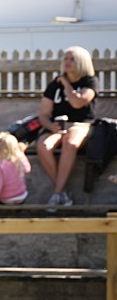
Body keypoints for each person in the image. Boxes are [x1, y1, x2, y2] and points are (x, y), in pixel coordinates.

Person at [36, 46, 97, 206]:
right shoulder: (53, 85)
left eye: (72, 59)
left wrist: (65, 82)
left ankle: (57, 194)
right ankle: (62, 192)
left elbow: (78, 103)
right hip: (57, 125)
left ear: (82, 62)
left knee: (70, 143)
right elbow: (43, 114)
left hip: (81, 125)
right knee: (43, 145)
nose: (67, 62)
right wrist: (50, 126)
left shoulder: (89, 81)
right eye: (65, 58)